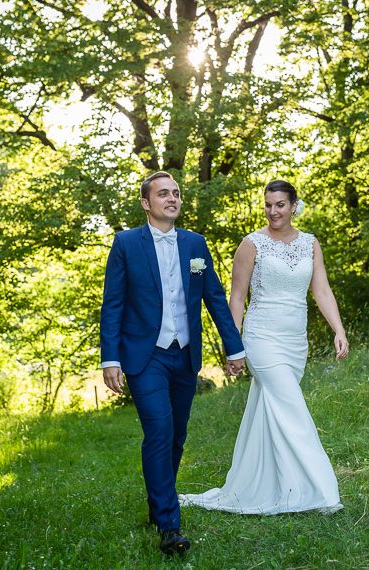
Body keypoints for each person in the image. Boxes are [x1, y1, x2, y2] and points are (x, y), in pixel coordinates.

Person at [99, 171, 246, 555]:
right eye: (163, 193)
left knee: (177, 434)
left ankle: (157, 503)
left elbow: (215, 298)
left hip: (184, 354)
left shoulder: (195, 243)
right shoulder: (126, 244)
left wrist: (234, 348)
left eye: (176, 193)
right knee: (160, 430)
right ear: (146, 203)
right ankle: (169, 524)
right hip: (144, 355)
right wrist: (110, 358)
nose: (172, 198)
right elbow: (113, 304)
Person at [180, 179, 348, 515]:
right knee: (293, 409)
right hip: (262, 339)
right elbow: (237, 297)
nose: (273, 211)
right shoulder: (251, 244)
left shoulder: (310, 244)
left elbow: (322, 290)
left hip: (295, 342)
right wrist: (234, 346)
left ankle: (267, 485)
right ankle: (324, 492)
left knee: (271, 411)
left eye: (280, 205)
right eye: (268, 205)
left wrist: (338, 330)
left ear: (293, 205)